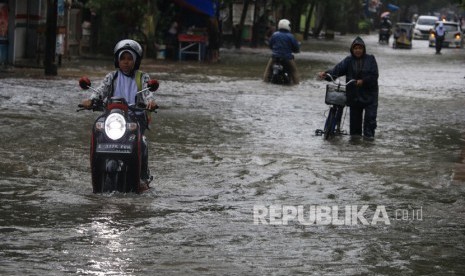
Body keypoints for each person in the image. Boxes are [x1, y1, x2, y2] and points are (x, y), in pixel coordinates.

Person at [80, 39, 159, 188]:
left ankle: (143, 176)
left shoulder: (143, 77)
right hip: (113, 118)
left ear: (136, 60)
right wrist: (91, 101)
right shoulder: (112, 77)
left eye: (130, 58)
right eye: (123, 58)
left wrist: (151, 102)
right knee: (97, 132)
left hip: (135, 118)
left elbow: (148, 94)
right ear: (117, 59)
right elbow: (101, 91)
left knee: (142, 141)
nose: (126, 62)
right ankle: (96, 174)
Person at [318, 36, 379, 139]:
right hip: (354, 96)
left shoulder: (371, 59)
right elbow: (337, 70)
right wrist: (326, 74)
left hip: (370, 97)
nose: (358, 50)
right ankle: (355, 148)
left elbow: (374, 75)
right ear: (352, 49)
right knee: (355, 132)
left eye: (360, 48)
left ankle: (368, 146)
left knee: (370, 124)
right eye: (355, 48)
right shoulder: (348, 60)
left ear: (363, 49)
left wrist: (363, 81)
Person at [263, 19, 300, 85]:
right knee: (294, 71)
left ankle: (265, 82)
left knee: (268, 70)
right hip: (287, 58)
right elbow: (296, 48)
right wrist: (296, 50)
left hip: (275, 57)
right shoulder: (290, 36)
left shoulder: (274, 35)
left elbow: (270, 45)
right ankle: (297, 85)